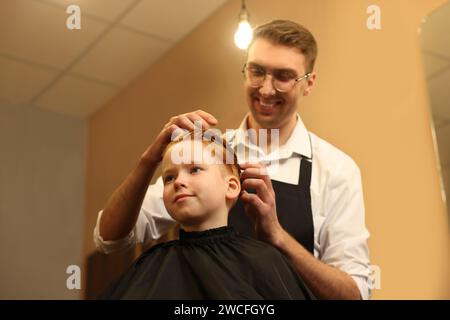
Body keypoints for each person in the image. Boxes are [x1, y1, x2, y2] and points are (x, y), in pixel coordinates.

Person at [94, 20, 372, 300]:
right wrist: (149, 159)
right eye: (257, 71)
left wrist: (277, 237)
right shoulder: (209, 152)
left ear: (308, 83)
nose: (265, 89)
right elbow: (109, 238)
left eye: (283, 76)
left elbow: (354, 295)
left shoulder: (336, 170)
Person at [99, 132, 314, 299]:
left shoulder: (264, 260)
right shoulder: (151, 267)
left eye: (194, 170)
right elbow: (107, 237)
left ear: (231, 186)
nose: (178, 182)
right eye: (169, 178)